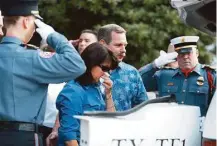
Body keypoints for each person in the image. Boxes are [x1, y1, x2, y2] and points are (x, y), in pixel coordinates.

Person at [0, 0, 86, 146]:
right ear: (26, 22)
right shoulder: (31, 58)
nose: (34, 29)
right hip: (22, 138)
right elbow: (76, 65)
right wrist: (52, 35)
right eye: (35, 24)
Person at [57, 42, 117, 146]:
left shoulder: (96, 87)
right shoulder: (73, 91)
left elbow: (111, 121)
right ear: (91, 64)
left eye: (109, 70)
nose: (106, 73)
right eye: (104, 68)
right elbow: (69, 137)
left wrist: (108, 94)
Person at [139, 36, 216, 116]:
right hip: (171, 125)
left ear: (197, 53)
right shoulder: (164, 75)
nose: (185, 57)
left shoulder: (210, 75)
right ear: (176, 56)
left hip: (199, 127)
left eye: (189, 53)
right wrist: (155, 64)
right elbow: (135, 83)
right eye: (181, 53)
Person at [98, 24, 148, 111]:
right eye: (118, 45)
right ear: (102, 44)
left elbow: (143, 108)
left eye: (125, 45)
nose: (124, 50)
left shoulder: (131, 72)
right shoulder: (88, 72)